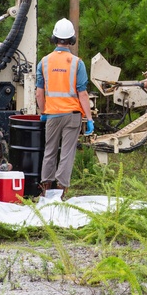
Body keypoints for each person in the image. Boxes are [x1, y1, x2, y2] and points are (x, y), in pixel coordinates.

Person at [36, 18, 93, 197]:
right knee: (67, 153)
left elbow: (39, 93)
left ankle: (45, 190)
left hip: (52, 115)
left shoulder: (44, 62)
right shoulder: (77, 63)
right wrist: (89, 119)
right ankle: (61, 192)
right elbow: (82, 94)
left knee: (50, 151)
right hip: (72, 115)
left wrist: (43, 112)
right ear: (72, 40)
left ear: (54, 38)